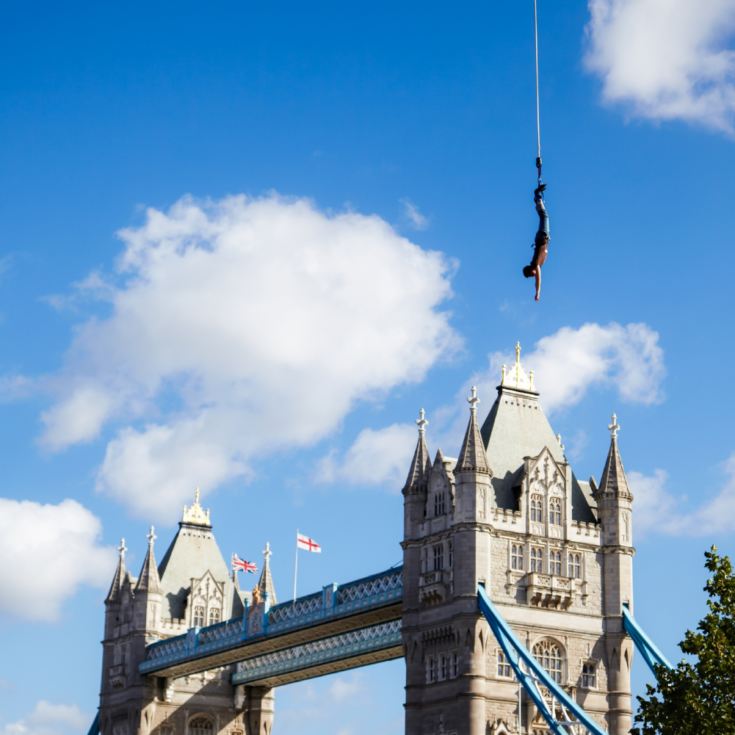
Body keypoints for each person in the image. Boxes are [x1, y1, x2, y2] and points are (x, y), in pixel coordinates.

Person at [522, 183, 550, 301]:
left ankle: (537, 196)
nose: (533, 276)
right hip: (541, 238)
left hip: (542, 237)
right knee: (543, 216)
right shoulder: (535, 264)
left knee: (544, 216)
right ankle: (537, 199)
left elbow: (538, 280)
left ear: (531, 270)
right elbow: (536, 280)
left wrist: (537, 293)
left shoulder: (536, 265)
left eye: (530, 274)